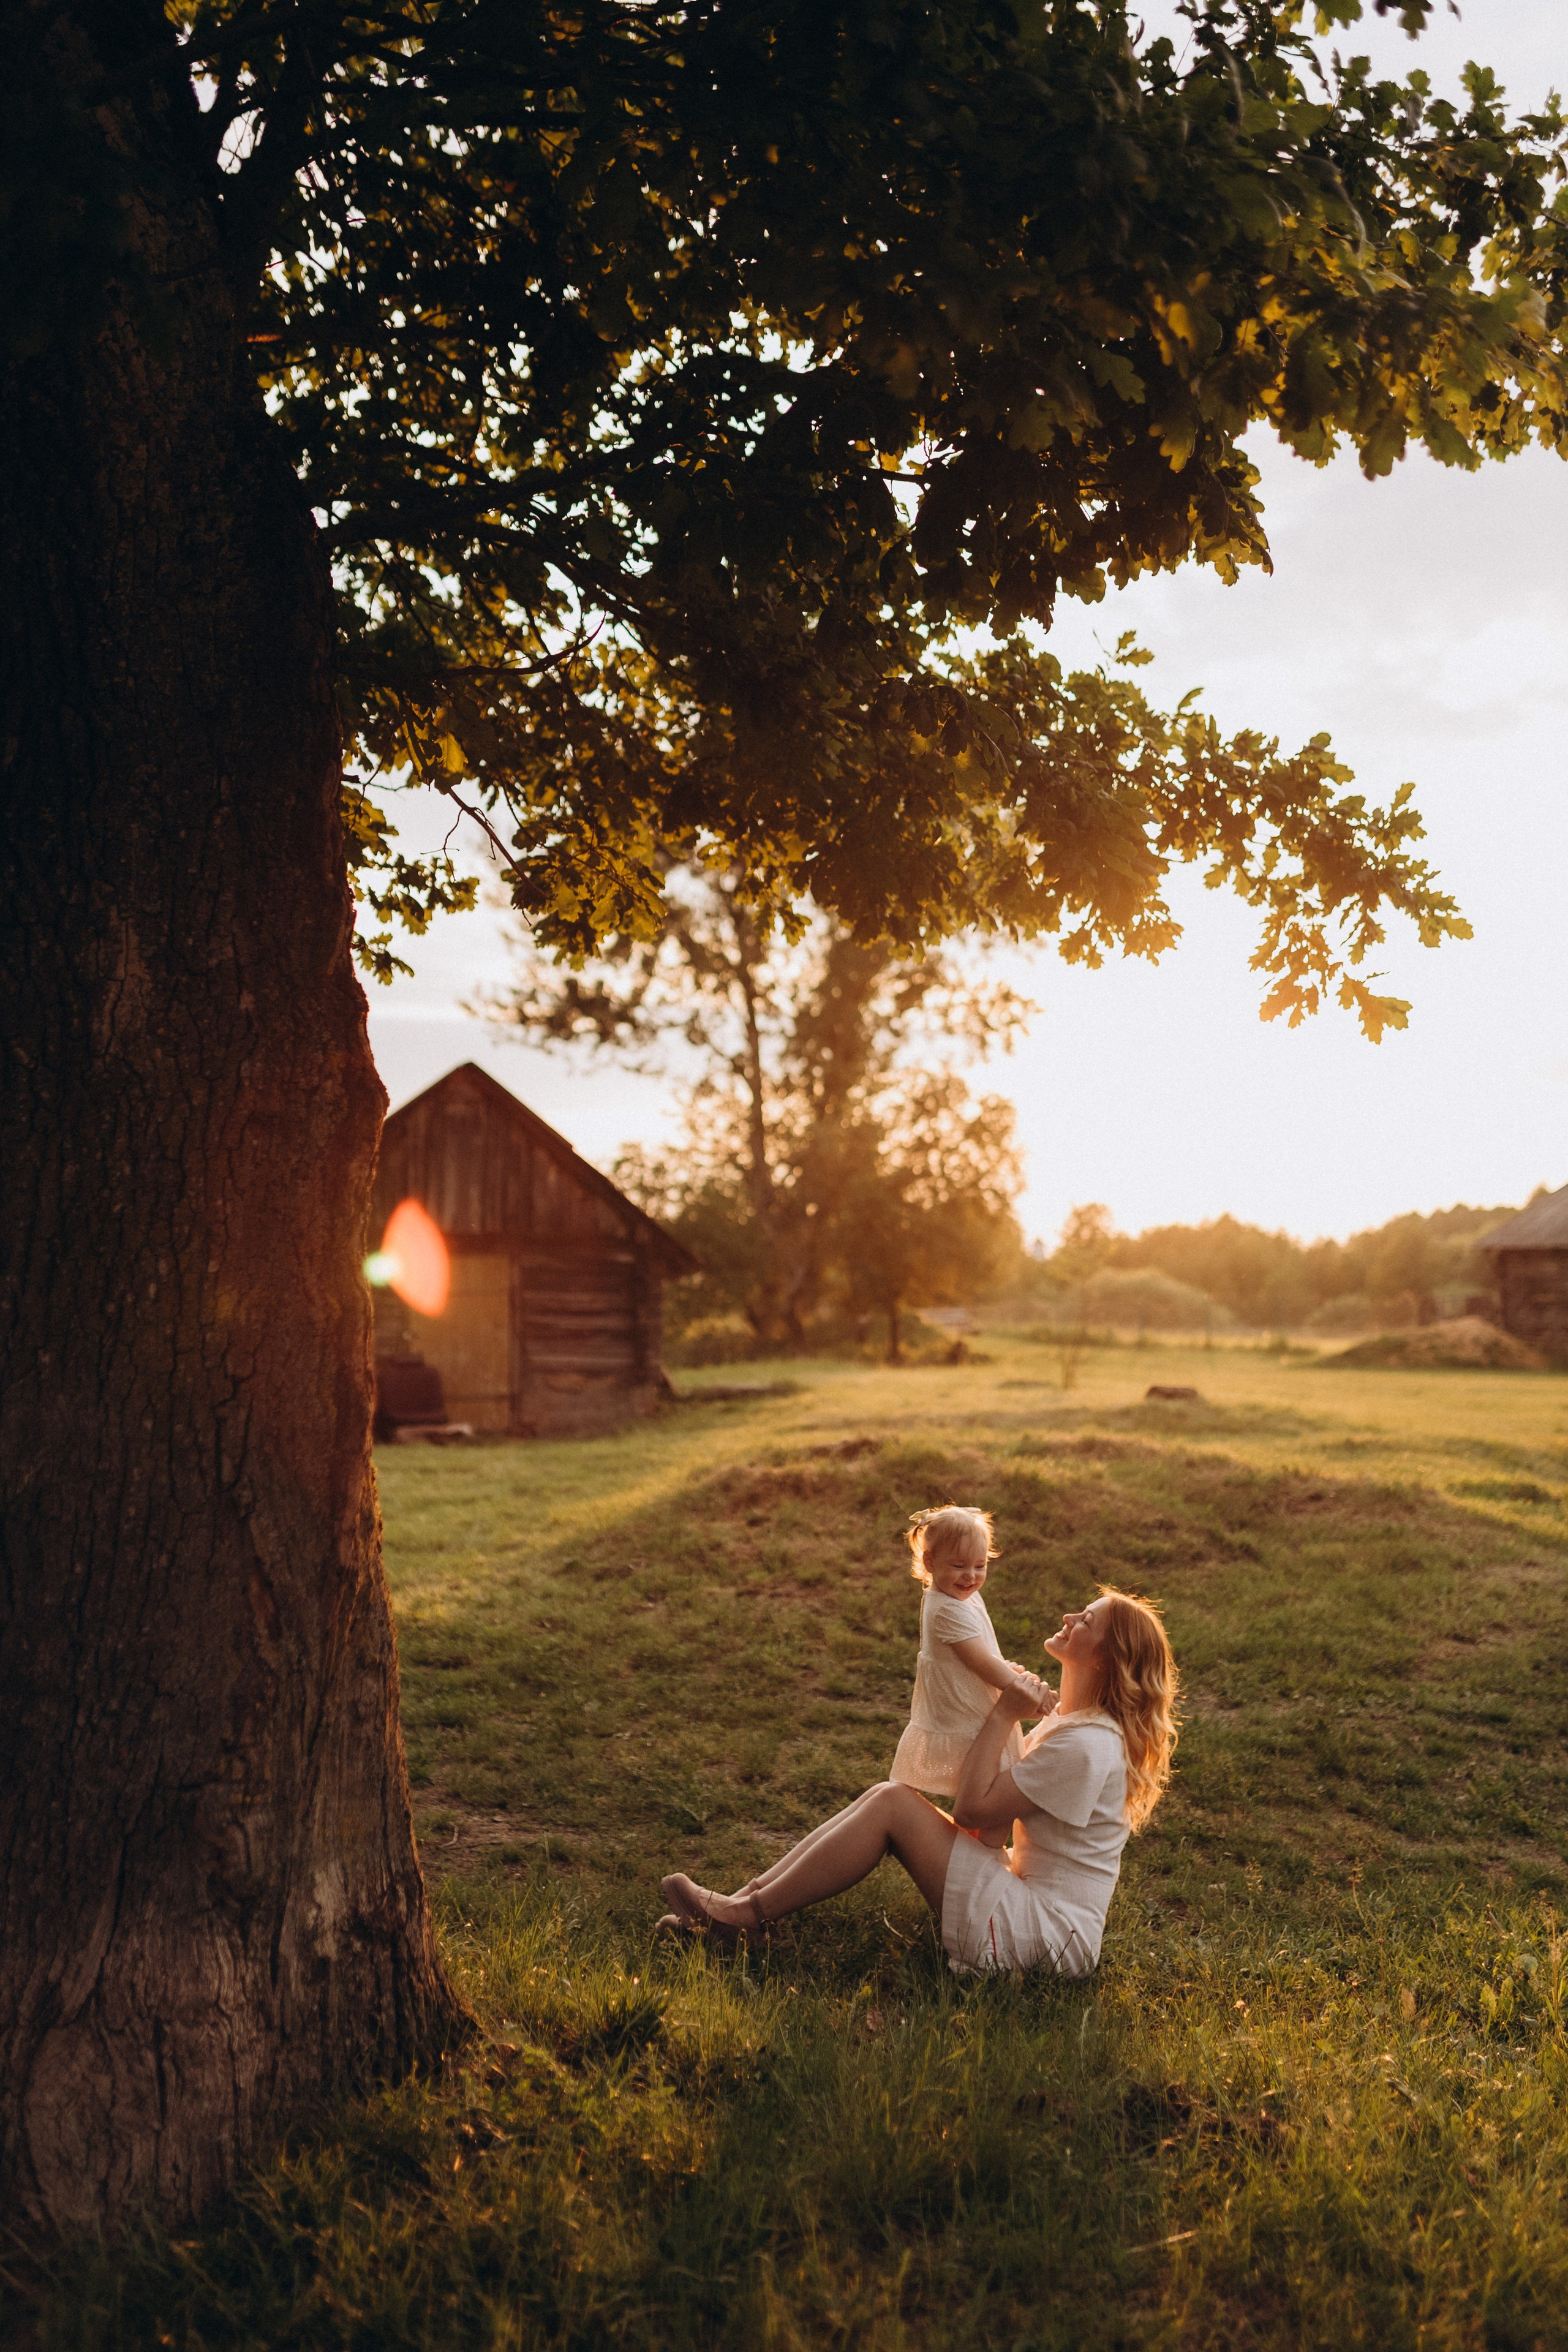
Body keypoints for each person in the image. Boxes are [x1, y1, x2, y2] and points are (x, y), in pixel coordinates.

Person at [658, 1586, 1178, 1978]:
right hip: (1036, 1910)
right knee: (890, 1800)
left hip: (1046, 1936)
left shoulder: (1086, 1745)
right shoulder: (1074, 1725)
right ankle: (740, 1910)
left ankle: (744, 1917)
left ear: (1104, 1657)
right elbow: (984, 1825)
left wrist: (1004, 1716)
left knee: (894, 1807)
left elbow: (975, 1812)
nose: (1068, 1617)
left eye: (1085, 1620)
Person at [888, 1506, 1053, 1833]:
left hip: (973, 1695)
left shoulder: (962, 1597)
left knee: (989, 1780)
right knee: (989, 1783)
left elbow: (980, 1653)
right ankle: (982, 1849)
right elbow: (980, 1662)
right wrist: (1025, 1692)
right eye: (959, 1566)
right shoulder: (945, 1609)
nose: (972, 1576)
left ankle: (981, 1848)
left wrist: (1005, 1667)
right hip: (966, 1710)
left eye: (980, 1566)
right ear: (930, 1563)